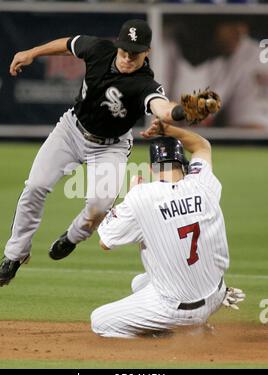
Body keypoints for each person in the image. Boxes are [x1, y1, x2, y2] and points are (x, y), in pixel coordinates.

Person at [0, 19, 189, 287]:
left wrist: (180, 111)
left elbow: (162, 107)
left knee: (99, 208)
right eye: (124, 51)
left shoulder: (145, 84)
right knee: (35, 186)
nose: (128, 58)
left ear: (147, 52)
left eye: (135, 53)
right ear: (117, 45)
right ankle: (15, 254)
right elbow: (66, 45)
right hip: (71, 130)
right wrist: (31, 53)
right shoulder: (98, 50)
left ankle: (72, 237)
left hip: (111, 146)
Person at [92, 123, 245, 338]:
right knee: (140, 283)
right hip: (217, 293)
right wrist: (167, 128)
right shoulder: (202, 183)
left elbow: (106, 242)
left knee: (99, 321)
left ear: (150, 169)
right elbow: (202, 146)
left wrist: (131, 195)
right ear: (183, 165)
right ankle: (196, 321)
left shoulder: (142, 196)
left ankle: (175, 334)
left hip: (177, 310)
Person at [164, 20, 268, 129]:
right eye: (229, 21)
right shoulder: (157, 44)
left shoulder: (250, 53)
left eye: (242, 20)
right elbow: (149, 127)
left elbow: (253, 130)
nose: (241, 30)